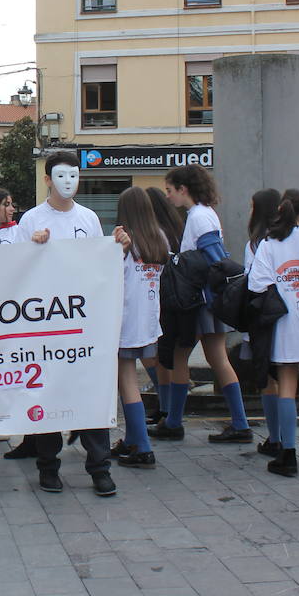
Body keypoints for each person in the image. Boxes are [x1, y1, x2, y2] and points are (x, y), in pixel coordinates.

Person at [14, 152, 113, 495]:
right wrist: (31, 246)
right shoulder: (30, 220)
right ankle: (48, 467)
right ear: (47, 180)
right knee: (48, 392)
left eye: (75, 174)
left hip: (82, 322)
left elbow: (99, 265)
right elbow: (13, 268)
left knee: (89, 390)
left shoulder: (88, 218)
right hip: (44, 324)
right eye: (61, 175)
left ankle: (100, 467)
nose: (69, 181)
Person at [154, 165, 253, 444]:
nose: (169, 196)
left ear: (183, 189)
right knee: (218, 358)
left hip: (197, 299)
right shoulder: (206, 213)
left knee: (179, 357)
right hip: (210, 299)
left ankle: (173, 422)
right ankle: (240, 423)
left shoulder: (197, 217)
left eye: (170, 191)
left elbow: (213, 257)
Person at [248, 189, 299, 477]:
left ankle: (288, 452)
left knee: (287, 385)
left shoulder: (269, 244)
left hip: (284, 322)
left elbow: (256, 285)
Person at [110, 187, 168, 470]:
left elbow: (109, 274)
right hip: (148, 319)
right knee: (128, 379)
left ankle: (142, 447)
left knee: (127, 382)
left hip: (125, 319)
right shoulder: (158, 238)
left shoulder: (125, 241)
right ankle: (133, 439)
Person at [245, 188, 283, 457]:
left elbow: (253, 281)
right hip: (293, 315)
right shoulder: (289, 239)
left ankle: (276, 437)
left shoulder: (258, 244)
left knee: (269, 379)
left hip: (264, 317)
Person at [144, 188, 185, 425]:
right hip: (173, 297)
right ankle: (166, 407)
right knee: (162, 355)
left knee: (155, 356)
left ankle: (166, 406)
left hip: (159, 298)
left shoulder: (156, 234)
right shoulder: (175, 230)